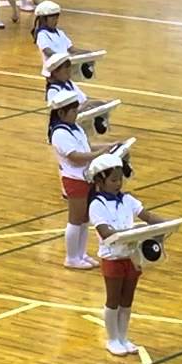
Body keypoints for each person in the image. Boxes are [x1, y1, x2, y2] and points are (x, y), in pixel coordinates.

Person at [87, 152, 173, 356]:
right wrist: (131, 232)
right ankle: (112, 339)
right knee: (113, 299)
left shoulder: (127, 199)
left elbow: (148, 216)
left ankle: (124, 337)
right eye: (113, 180)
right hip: (113, 258)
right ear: (100, 180)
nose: (118, 184)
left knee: (127, 300)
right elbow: (106, 233)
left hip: (132, 256)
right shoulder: (97, 205)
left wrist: (169, 224)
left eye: (120, 179)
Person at [48, 91, 119, 271]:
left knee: (85, 219)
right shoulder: (59, 133)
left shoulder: (75, 128)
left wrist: (108, 146)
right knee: (75, 219)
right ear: (61, 113)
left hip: (86, 177)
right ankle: (71, 257)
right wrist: (99, 154)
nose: (75, 114)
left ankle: (82, 254)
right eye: (72, 111)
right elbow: (76, 156)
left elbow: (86, 147)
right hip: (75, 179)